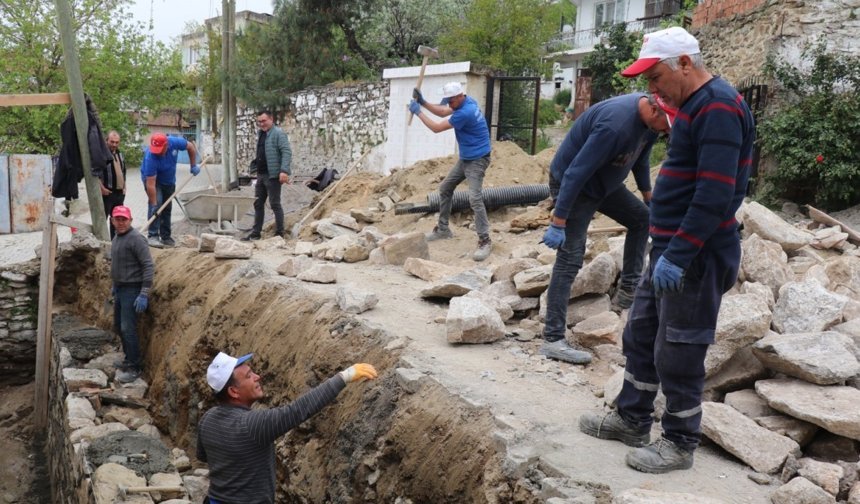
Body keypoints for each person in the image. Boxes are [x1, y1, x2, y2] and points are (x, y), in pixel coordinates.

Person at [578, 26, 755, 474]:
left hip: (694, 254)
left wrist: (680, 253)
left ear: (684, 64)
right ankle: (632, 418)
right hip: (673, 247)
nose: (651, 90)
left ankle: (679, 442)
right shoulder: (694, 104)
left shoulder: (717, 106)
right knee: (642, 334)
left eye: (655, 78)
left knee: (680, 347)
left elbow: (716, 194)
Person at [539, 93, 670, 366]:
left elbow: (641, 161)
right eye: (666, 125)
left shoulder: (650, 125)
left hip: (604, 184)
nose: (666, 131)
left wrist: (649, 198)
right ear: (655, 110)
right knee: (570, 257)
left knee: (641, 219)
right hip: (574, 187)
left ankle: (628, 291)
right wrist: (559, 220)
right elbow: (576, 172)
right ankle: (553, 339)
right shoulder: (616, 125)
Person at [197, 352, 378, 503]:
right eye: (249, 376)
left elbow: (203, 456)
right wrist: (344, 377)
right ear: (234, 392)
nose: (257, 377)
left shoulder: (207, 419)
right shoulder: (252, 425)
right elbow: (297, 410)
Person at [410, 82, 493, 261]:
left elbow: (436, 127)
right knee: (445, 189)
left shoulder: (465, 112)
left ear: (459, 96)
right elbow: (441, 111)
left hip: (478, 159)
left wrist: (418, 112)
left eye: (450, 101)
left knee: (475, 198)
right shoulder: (466, 101)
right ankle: (443, 229)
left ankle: (485, 240)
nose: (448, 104)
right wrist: (423, 101)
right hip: (466, 158)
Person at [109, 205, 154, 384]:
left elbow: (148, 266)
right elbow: (117, 263)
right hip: (120, 289)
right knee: (119, 327)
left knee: (128, 329)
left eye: (123, 219)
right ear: (112, 221)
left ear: (130, 220)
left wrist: (144, 293)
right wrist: (114, 284)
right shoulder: (117, 238)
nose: (120, 223)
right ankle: (128, 360)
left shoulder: (136, 239)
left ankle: (135, 367)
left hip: (132, 290)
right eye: (117, 219)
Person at [142, 132, 199, 247]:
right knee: (157, 206)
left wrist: (193, 165)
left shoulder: (174, 142)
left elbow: (191, 147)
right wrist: (153, 204)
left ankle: (166, 237)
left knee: (167, 208)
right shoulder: (150, 157)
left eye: (159, 149)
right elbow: (151, 184)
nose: (156, 152)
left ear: (166, 145)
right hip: (154, 182)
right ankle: (152, 236)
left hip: (169, 180)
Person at [243, 110, 292, 241]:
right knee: (258, 204)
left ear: (271, 119)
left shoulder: (278, 134)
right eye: (259, 122)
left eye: (264, 121)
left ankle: (280, 233)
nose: (261, 124)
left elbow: (286, 152)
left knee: (275, 204)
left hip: (273, 175)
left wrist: (284, 171)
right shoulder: (262, 134)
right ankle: (255, 233)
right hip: (261, 175)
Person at [97, 131, 127, 238]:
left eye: (116, 142)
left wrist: (124, 187)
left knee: (117, 220)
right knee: (102, 219)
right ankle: (101, 242)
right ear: (106, 141)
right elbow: (95, 173)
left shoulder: (120, 154)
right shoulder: (101, 154)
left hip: (119, 194)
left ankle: (115, 243)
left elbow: (123, 171)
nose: (114, 144)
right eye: (112, 142)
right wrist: (101, 188)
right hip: (107, 193)